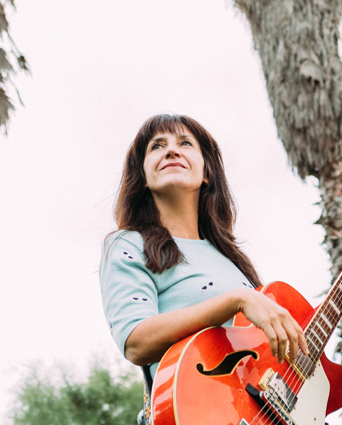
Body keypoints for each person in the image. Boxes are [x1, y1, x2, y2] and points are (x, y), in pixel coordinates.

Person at [99, 114, 308, 419]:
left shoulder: (230, 258)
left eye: (185, 143)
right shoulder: (128, 244)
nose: (172, 150)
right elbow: (136, 341)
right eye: (157, 146)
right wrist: (239, 299)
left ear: (207, 173)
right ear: (143, 176)